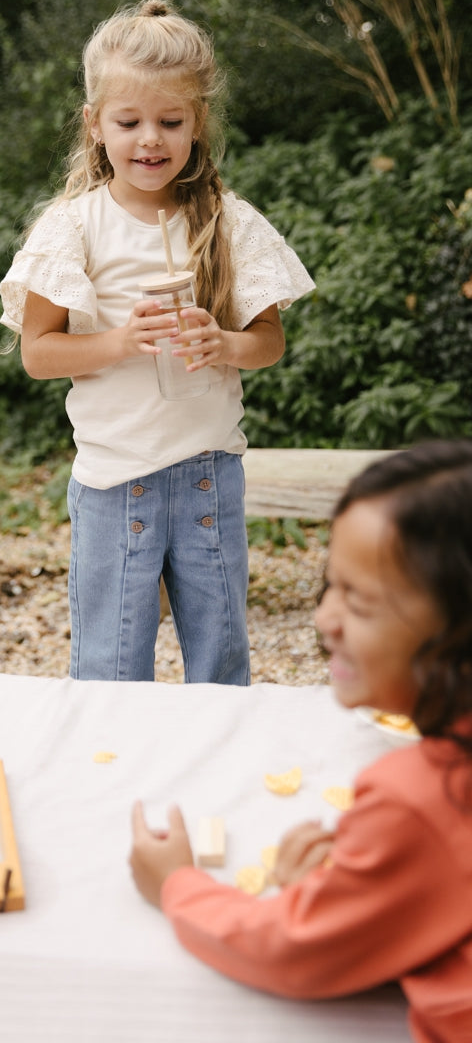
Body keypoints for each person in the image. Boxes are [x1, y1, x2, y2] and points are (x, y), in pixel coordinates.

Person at [0, 0, 314, 682]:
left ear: (197, 123)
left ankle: (215, 781)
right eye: (129, 121)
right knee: (111, 665)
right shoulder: (73, 227)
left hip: (209, 475)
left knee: (222, 659)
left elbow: (268, 341)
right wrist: (118, 342)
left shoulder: (227, 221)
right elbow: (38, 353)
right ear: (94, 126)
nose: (151, 139)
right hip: (116, 483)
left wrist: (225, 344)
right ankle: (117, 783)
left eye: (170, 121)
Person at [130, 440, 472, 1042]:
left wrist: (178, 885)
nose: (323, 619)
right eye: (330, 587)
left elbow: (293, 950)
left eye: (360, 602)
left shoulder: (417, 798)